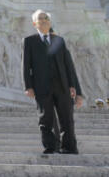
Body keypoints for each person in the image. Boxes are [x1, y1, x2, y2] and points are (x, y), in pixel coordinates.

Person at [22, 10, 81, 155]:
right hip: (42, 86)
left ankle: (69, 147)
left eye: (46, 18)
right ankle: (50, 146)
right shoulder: (29, 41)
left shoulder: (59, 40)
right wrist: (28, 86)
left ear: (50, 22)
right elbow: (25, 64)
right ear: (34, 23)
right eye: (40, 19)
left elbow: (68, 65)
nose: (43, 21)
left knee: (66, 117)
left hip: (62, 84)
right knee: (45, 118)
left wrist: (74, 86)